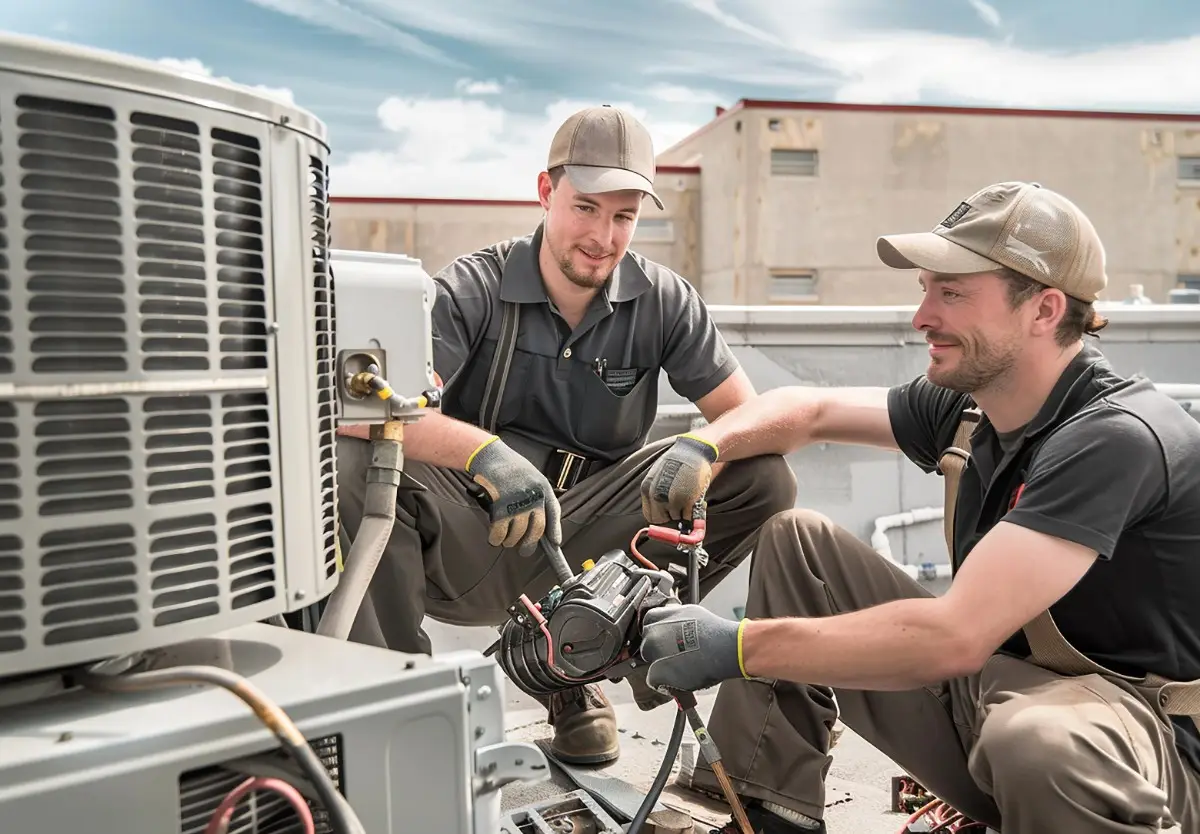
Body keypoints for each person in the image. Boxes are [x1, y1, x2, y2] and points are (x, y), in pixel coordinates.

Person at [636, 181, 1200, 833]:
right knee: (800, 546)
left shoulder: (1117, 438)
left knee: (1035, 742)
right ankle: (764, 807)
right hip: (1008, 693)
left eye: (952, 293)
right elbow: (809, 411)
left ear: (1044, 310)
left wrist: (736, 647)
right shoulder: (974, 404)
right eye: (926, 288)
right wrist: (704, 445)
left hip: (1147, 752)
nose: (922, 316)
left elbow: (954, 638)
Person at [334, 105, 797, 766]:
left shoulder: (664, 301)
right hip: (469, 529)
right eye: (586, 208)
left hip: (586, 545)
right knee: (357, 458)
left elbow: (749, 416)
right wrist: (483, 454)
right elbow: (362, 411)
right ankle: (397, 710)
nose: (603, 237)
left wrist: (703, 447)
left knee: (761, 475)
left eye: (623, 216)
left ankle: (578, 667)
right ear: (546, 193)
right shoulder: (473, 286)